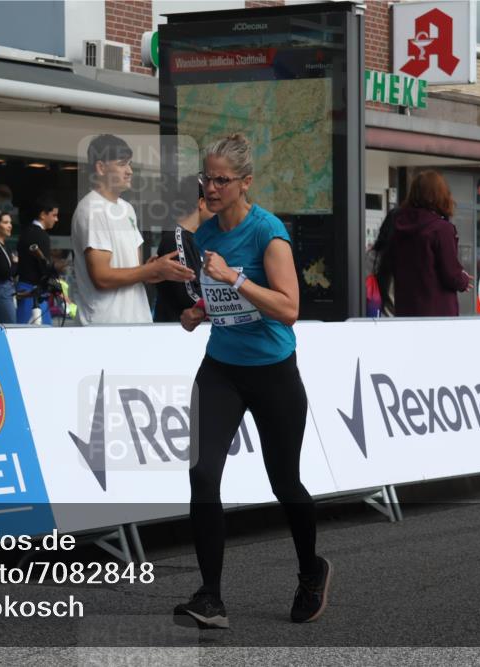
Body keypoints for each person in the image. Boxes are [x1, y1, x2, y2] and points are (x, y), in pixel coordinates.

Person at [176, 133, 329, 629]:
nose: (211, 188)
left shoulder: (268, 233)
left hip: (272, 371)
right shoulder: (206, 235)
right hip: (221, 368)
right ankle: (210, 597)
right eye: (207, 178)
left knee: (285, 482)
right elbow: (224, 301)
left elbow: (288, 308)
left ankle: (311, 571)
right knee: (202, 475)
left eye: (222, 180)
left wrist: (233, 279)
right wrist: (200, 310)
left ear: (246, 183)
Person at [71, 134, 194, 324]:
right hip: (105, 326)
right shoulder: (91, 209)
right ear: (101, 168)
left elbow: (133, 271)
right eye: (122, 164)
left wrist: (155, 271)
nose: (129, 171)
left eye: (129, 164)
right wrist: (149, 269)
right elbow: (102, 278)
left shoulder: (127, 208)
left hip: (136, 319)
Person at [389, 170, 472, 316]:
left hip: (405, 312)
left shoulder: (398, 226)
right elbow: (451, 274)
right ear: (440, 195)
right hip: (437, 315)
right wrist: (463, 280)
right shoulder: (441, 229)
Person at [154, 174, 211, 322]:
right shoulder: (175, 237)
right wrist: (222, 307)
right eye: (214, 200)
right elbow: (189, 293)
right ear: (201, 203)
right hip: (176, 330)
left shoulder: (198, 237)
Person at [16, 195, 59, 325]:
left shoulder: (25, 232)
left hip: (23, 289)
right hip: (34, 294)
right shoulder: (41, 236)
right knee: (41, 333)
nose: (56, 219)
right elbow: (44, 268)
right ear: (43, 214)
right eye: (54, 215)